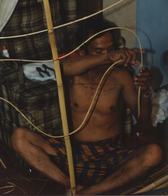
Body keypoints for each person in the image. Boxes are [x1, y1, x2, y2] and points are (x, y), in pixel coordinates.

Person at [11, 18, 163, 195]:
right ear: (82, 52)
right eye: (98, 51)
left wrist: (144, 93)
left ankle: (89, 192)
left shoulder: (121, 76)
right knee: (19, 137)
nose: (108, 56)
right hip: (73, 153)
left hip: (110, 155)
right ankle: (68, 183)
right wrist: (106, 57)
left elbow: (143, 122)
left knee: (154, 153)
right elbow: (62, 69)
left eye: (111, 49)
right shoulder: (74, 75)